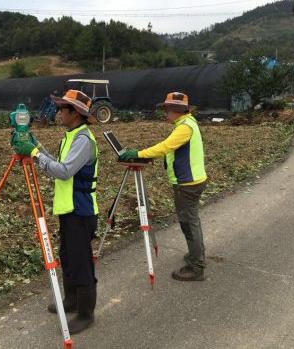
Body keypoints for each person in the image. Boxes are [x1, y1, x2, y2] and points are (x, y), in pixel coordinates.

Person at [12, 89, 99, 334]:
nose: (58, 113)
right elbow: (57, 165)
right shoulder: (70, 136)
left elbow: (63, 171)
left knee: (82, 264)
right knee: (68, 258)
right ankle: (71, 300)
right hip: (68, 210)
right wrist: (35, 144)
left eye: (62, 109)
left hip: (81, 212)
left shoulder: (83, 139)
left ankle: (86, 313)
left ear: (75, 113)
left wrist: (35, 153)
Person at [120, 92, 208, 281]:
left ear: (177, 110)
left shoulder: (185, 127)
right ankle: (196, 255)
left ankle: (197, 266)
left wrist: (140, 153)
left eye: (167, 109)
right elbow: (170, 150)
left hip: (188, 184)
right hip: (190, 182)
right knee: (191, 221)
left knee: (189, 223)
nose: (165, 112)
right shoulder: (185, 124)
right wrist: (148, 155)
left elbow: (165, 147)